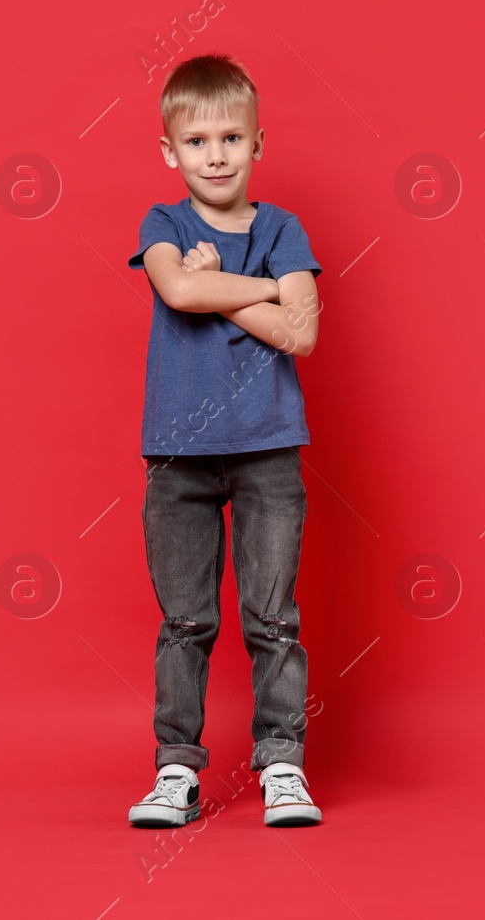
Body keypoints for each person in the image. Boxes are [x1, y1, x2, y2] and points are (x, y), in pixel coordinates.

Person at [124, 53, 324, 828]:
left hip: (269, 448)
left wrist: (232, 292)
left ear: (258, 143)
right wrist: (269, 286)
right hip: (177, 454)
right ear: (171, 152)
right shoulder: (165, 224)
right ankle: (177, 767)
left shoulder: (282, 227)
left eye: (231, 137)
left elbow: (300, 335)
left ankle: (282, 763)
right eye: (199, 140)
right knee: (186, 620)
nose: (216, 154)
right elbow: (178, 287)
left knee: (273, 617)